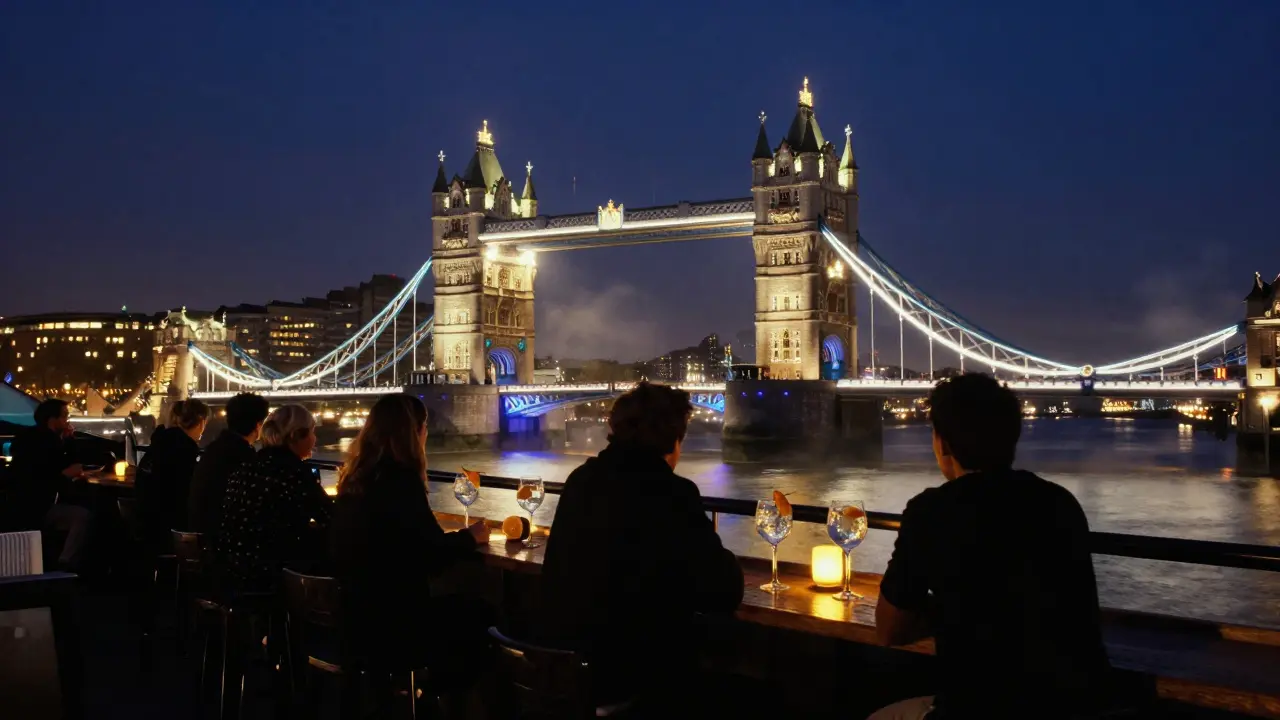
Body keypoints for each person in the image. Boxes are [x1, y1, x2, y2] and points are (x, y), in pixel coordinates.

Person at [871, 374, 1111, 720]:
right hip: (1077, 709)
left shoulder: (932, 511)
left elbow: (889, 629)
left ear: (942, 444)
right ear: (1012, 437)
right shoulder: (1060, 502)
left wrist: (947, 610)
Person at [537, 382, 744, 712]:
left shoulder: (580, 481)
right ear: (673, 440)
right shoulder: (672, 491)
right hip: (637, 680)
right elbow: (722, 589)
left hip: (569, 673)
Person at [329, 394, 491, 715]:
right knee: (484, 618)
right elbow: (431, 556)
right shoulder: (400, 481)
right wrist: (470, 538)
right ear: (415, 432)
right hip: (395, 627)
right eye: (425, 427)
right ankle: (437, 701)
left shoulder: (353, 480)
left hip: (353, 621)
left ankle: (414, 695)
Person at [211, 404, 332, 593]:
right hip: (269, 578)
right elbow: (330, 517)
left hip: (228, 570)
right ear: (296, 436)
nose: (315, 439)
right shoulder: (294, 472)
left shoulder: (248, 464)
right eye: (312, 432)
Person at [7, 399, 91, 571]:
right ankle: (66, 563)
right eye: (65, 416)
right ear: (52, 420)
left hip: (17, 506)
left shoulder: (27, 438)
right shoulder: (48, 443)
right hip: (37, 508)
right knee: (82, 516)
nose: (68, 421)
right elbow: (67, 469)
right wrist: (70, 441)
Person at [188, 392, 269, 534]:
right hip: (220, 539)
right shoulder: (245, 457)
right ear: (258, 425)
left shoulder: (214, 449)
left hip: (199, 531)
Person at [136, 399, 208, 550]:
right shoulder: (186, 450)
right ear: (201, 422)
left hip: (145, 523)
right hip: (171, 529)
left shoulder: (159, 443)